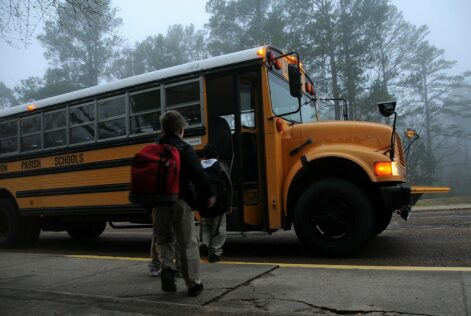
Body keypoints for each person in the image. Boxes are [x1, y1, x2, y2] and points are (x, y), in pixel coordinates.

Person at [153, 110, 215, 297]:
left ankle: (167, 266)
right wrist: (210, 193)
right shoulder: (184, 148)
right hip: (181, 201)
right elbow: (199, 174)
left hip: (159, 203)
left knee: (163, 239)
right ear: (181, 129)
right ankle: (193, 283)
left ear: (163, 128)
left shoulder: (154, 149)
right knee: (187, 242)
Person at [199, 144, 233, 263]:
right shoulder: (220, 166)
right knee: (219, 230)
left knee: (206, 226)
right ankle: (215, 251)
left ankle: (204, 242)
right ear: (216, 154)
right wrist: (229, 203)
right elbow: (228, 185)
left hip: (204, 207)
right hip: (219, 206)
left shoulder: (199, 167)